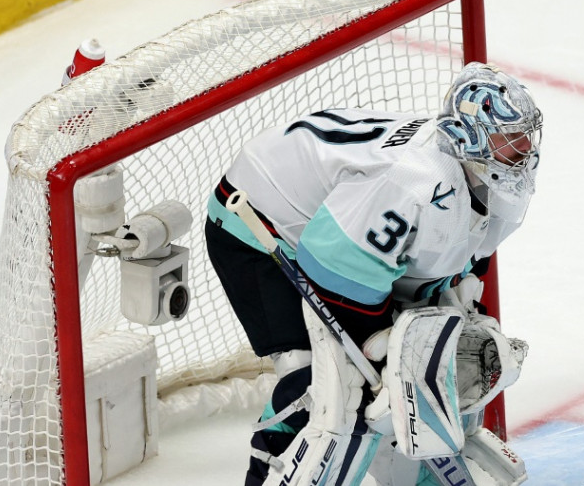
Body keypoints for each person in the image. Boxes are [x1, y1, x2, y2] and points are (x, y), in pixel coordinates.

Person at [205, 62, 541, 486]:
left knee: (420, 375)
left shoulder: (495, 178)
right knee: (324, 385)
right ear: (470, 138)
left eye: (526, 135)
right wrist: (376, 344)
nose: (524, 148)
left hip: (343, 240)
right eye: (509, 138)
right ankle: (269, 470)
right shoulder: (414, 180)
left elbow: (469, 251)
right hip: (260, 221)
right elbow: (333, 263)